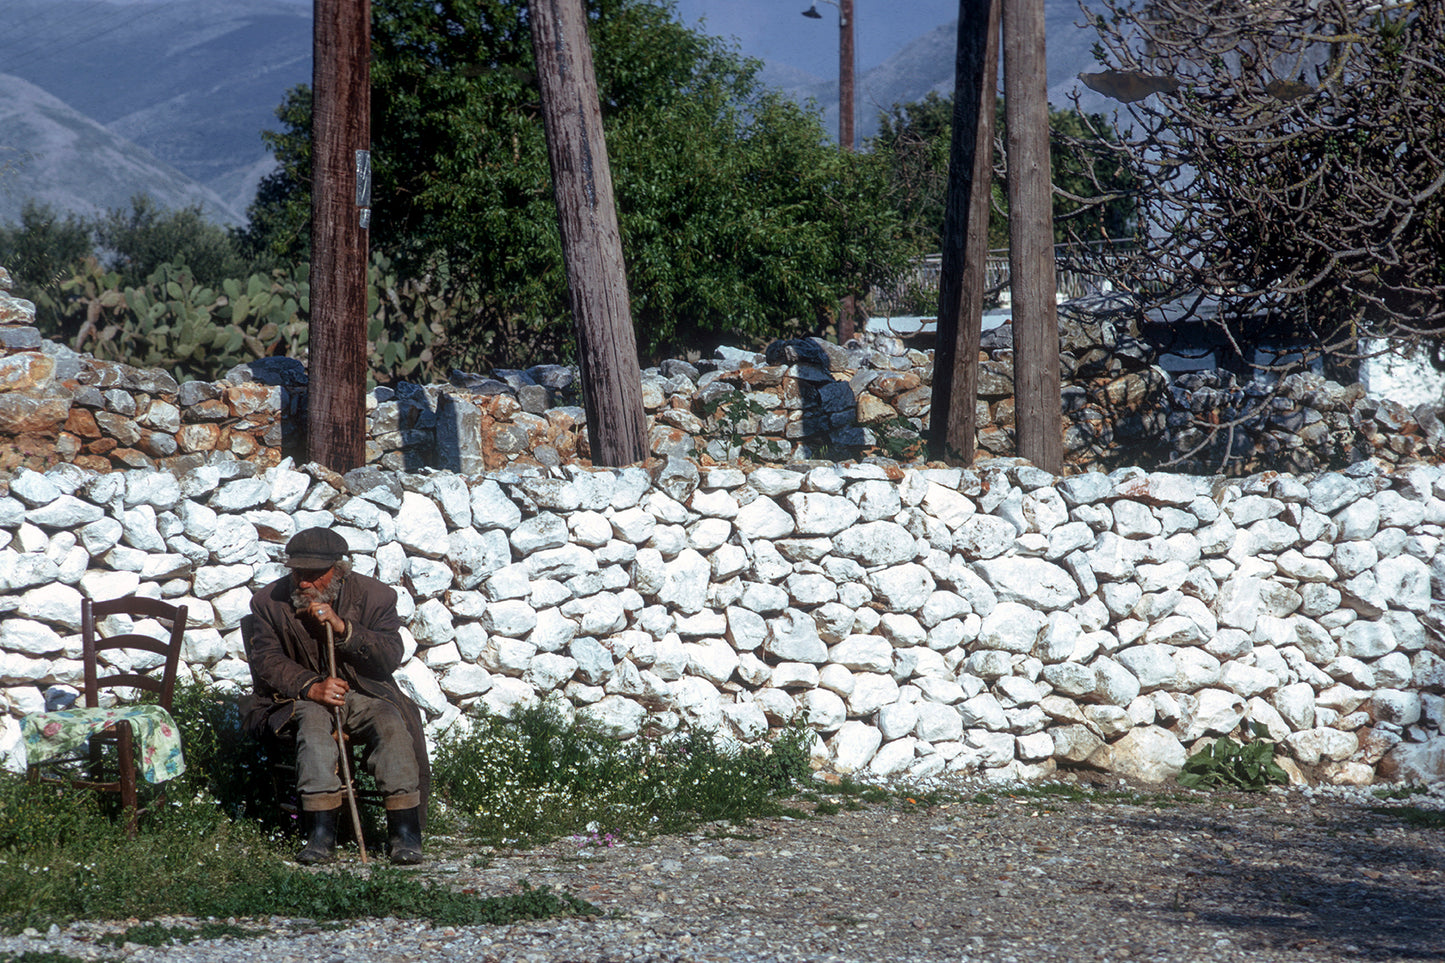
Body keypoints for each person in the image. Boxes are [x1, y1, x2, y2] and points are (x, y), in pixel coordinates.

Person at [242, 527, 429, 865]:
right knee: (313, 726)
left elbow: (389, 655)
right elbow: (266, 660)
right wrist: (311, 686)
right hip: (300, 699)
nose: (303, 583)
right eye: (298, 572)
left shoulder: (377, 597)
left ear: (339, 570)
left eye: (315, 575)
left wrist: (345, 629)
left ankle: (405, 834)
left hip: (362, 693)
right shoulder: (268, 603)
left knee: (390, 723)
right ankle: (321, 835)